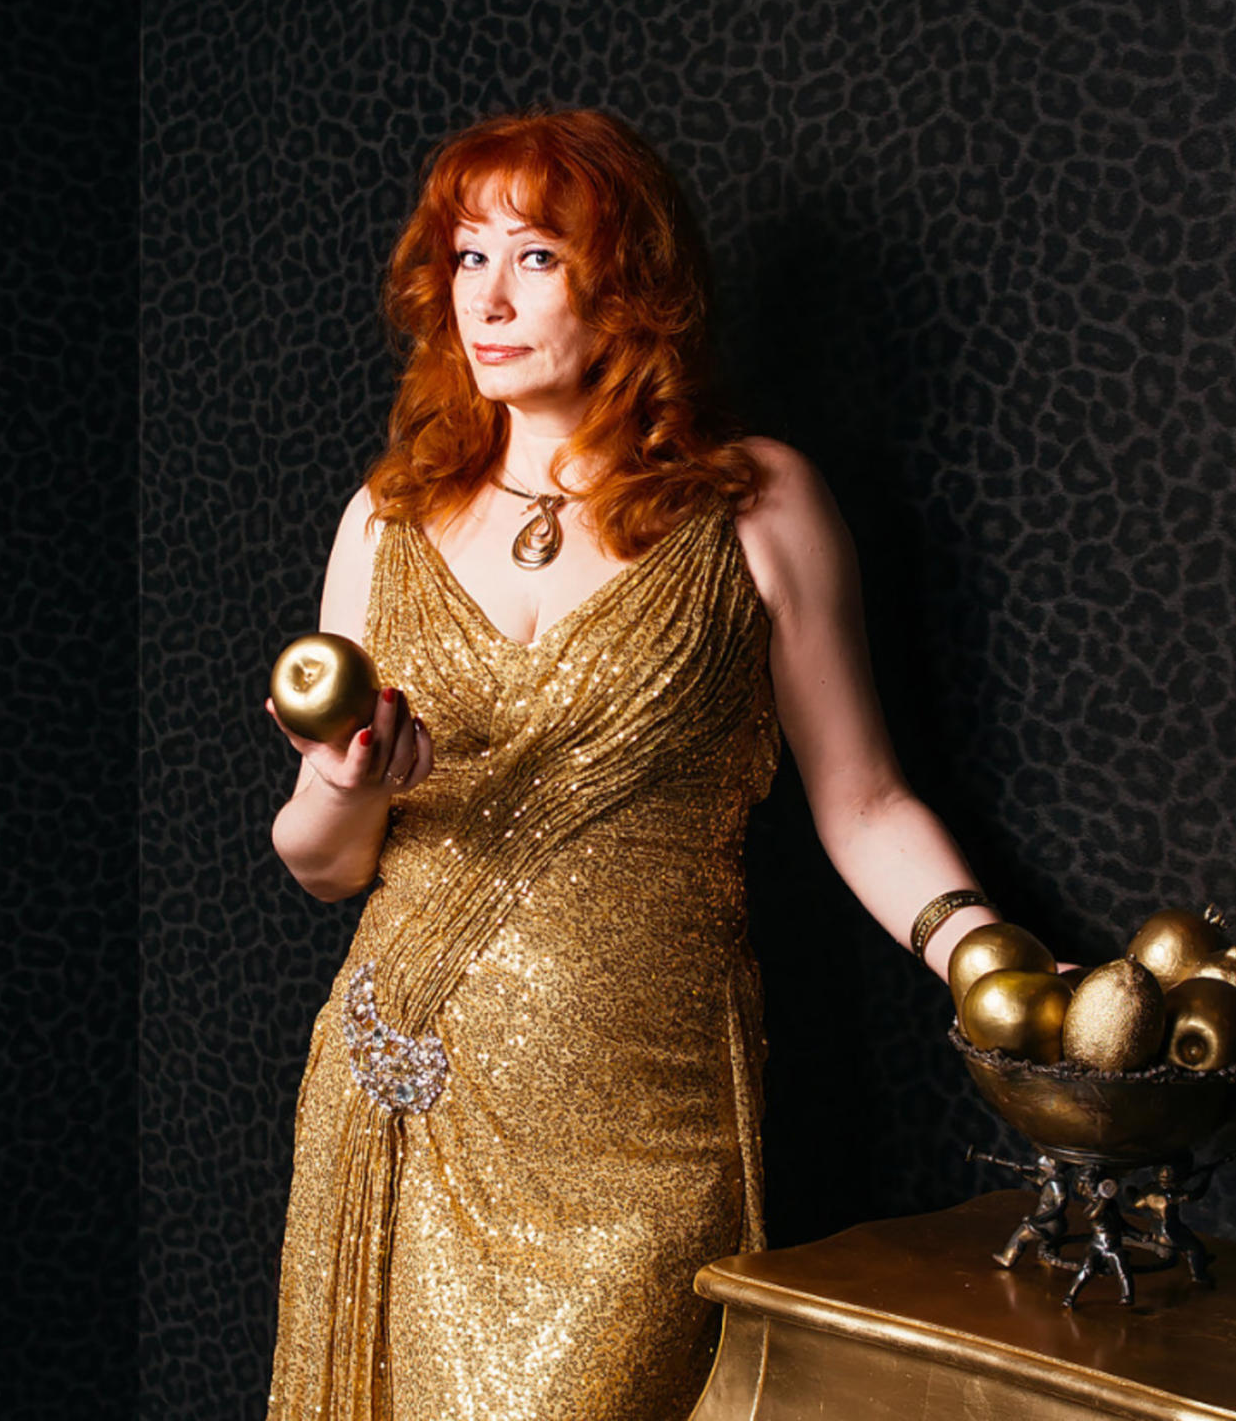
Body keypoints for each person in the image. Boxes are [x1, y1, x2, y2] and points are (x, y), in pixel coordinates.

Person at [263, 108, 1000, 1420]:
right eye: (466, 255)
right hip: (403, 1085)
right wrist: (341, 786)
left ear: (630, 284)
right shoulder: (385, 516)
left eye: (535, 256)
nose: (486, 297)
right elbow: (324, 868)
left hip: (643, 1117)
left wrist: (989, 961)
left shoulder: (755, 506)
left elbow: (865, 802)